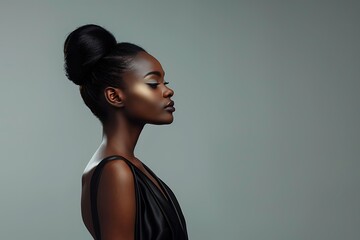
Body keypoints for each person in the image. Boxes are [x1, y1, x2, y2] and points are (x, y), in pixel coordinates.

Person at [63, 24, 188, 240]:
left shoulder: (130, 167)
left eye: (164, 82)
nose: (168, 90)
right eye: (152, 83)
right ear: (115, 96)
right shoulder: (116, 171)